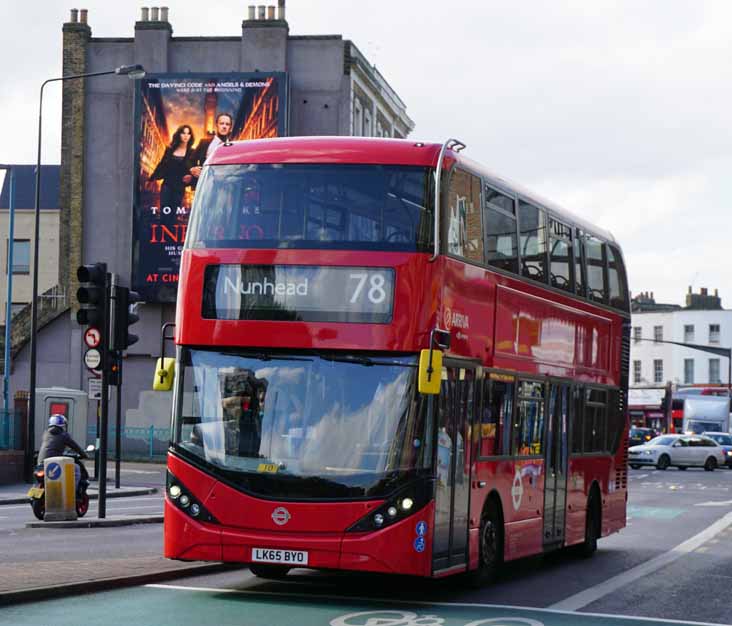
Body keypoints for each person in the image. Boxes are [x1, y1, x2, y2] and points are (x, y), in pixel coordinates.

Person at [149, 124, 195, 210]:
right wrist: (152, 178)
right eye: (183, 133)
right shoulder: (169, 150)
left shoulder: (192, 152)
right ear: (179, 134)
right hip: (167, 184)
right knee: (164, 209)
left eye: (188, 134)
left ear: (190, 136)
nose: (186, 136)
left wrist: (191, 177)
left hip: (180, 186)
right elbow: (162, 164)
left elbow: (194, 168)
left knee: (174, 211)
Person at [37, 414, 88, 486]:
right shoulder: (63, 435)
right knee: (76, 469)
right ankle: (72, 491)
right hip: (55, 462)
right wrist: (84, 455)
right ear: (63, 425)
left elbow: (52, 447)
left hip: (41, 463)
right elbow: (75, 447)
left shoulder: (46, 433)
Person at [188, 113, 233, 185]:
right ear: (217, 125)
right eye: (222, 123)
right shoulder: (204, 143)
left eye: (227, 124)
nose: (224, 126)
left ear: (230, 127)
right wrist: (192, 169)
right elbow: (190, 160)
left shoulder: (233, 146)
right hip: (205, 183)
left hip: (225, 184)